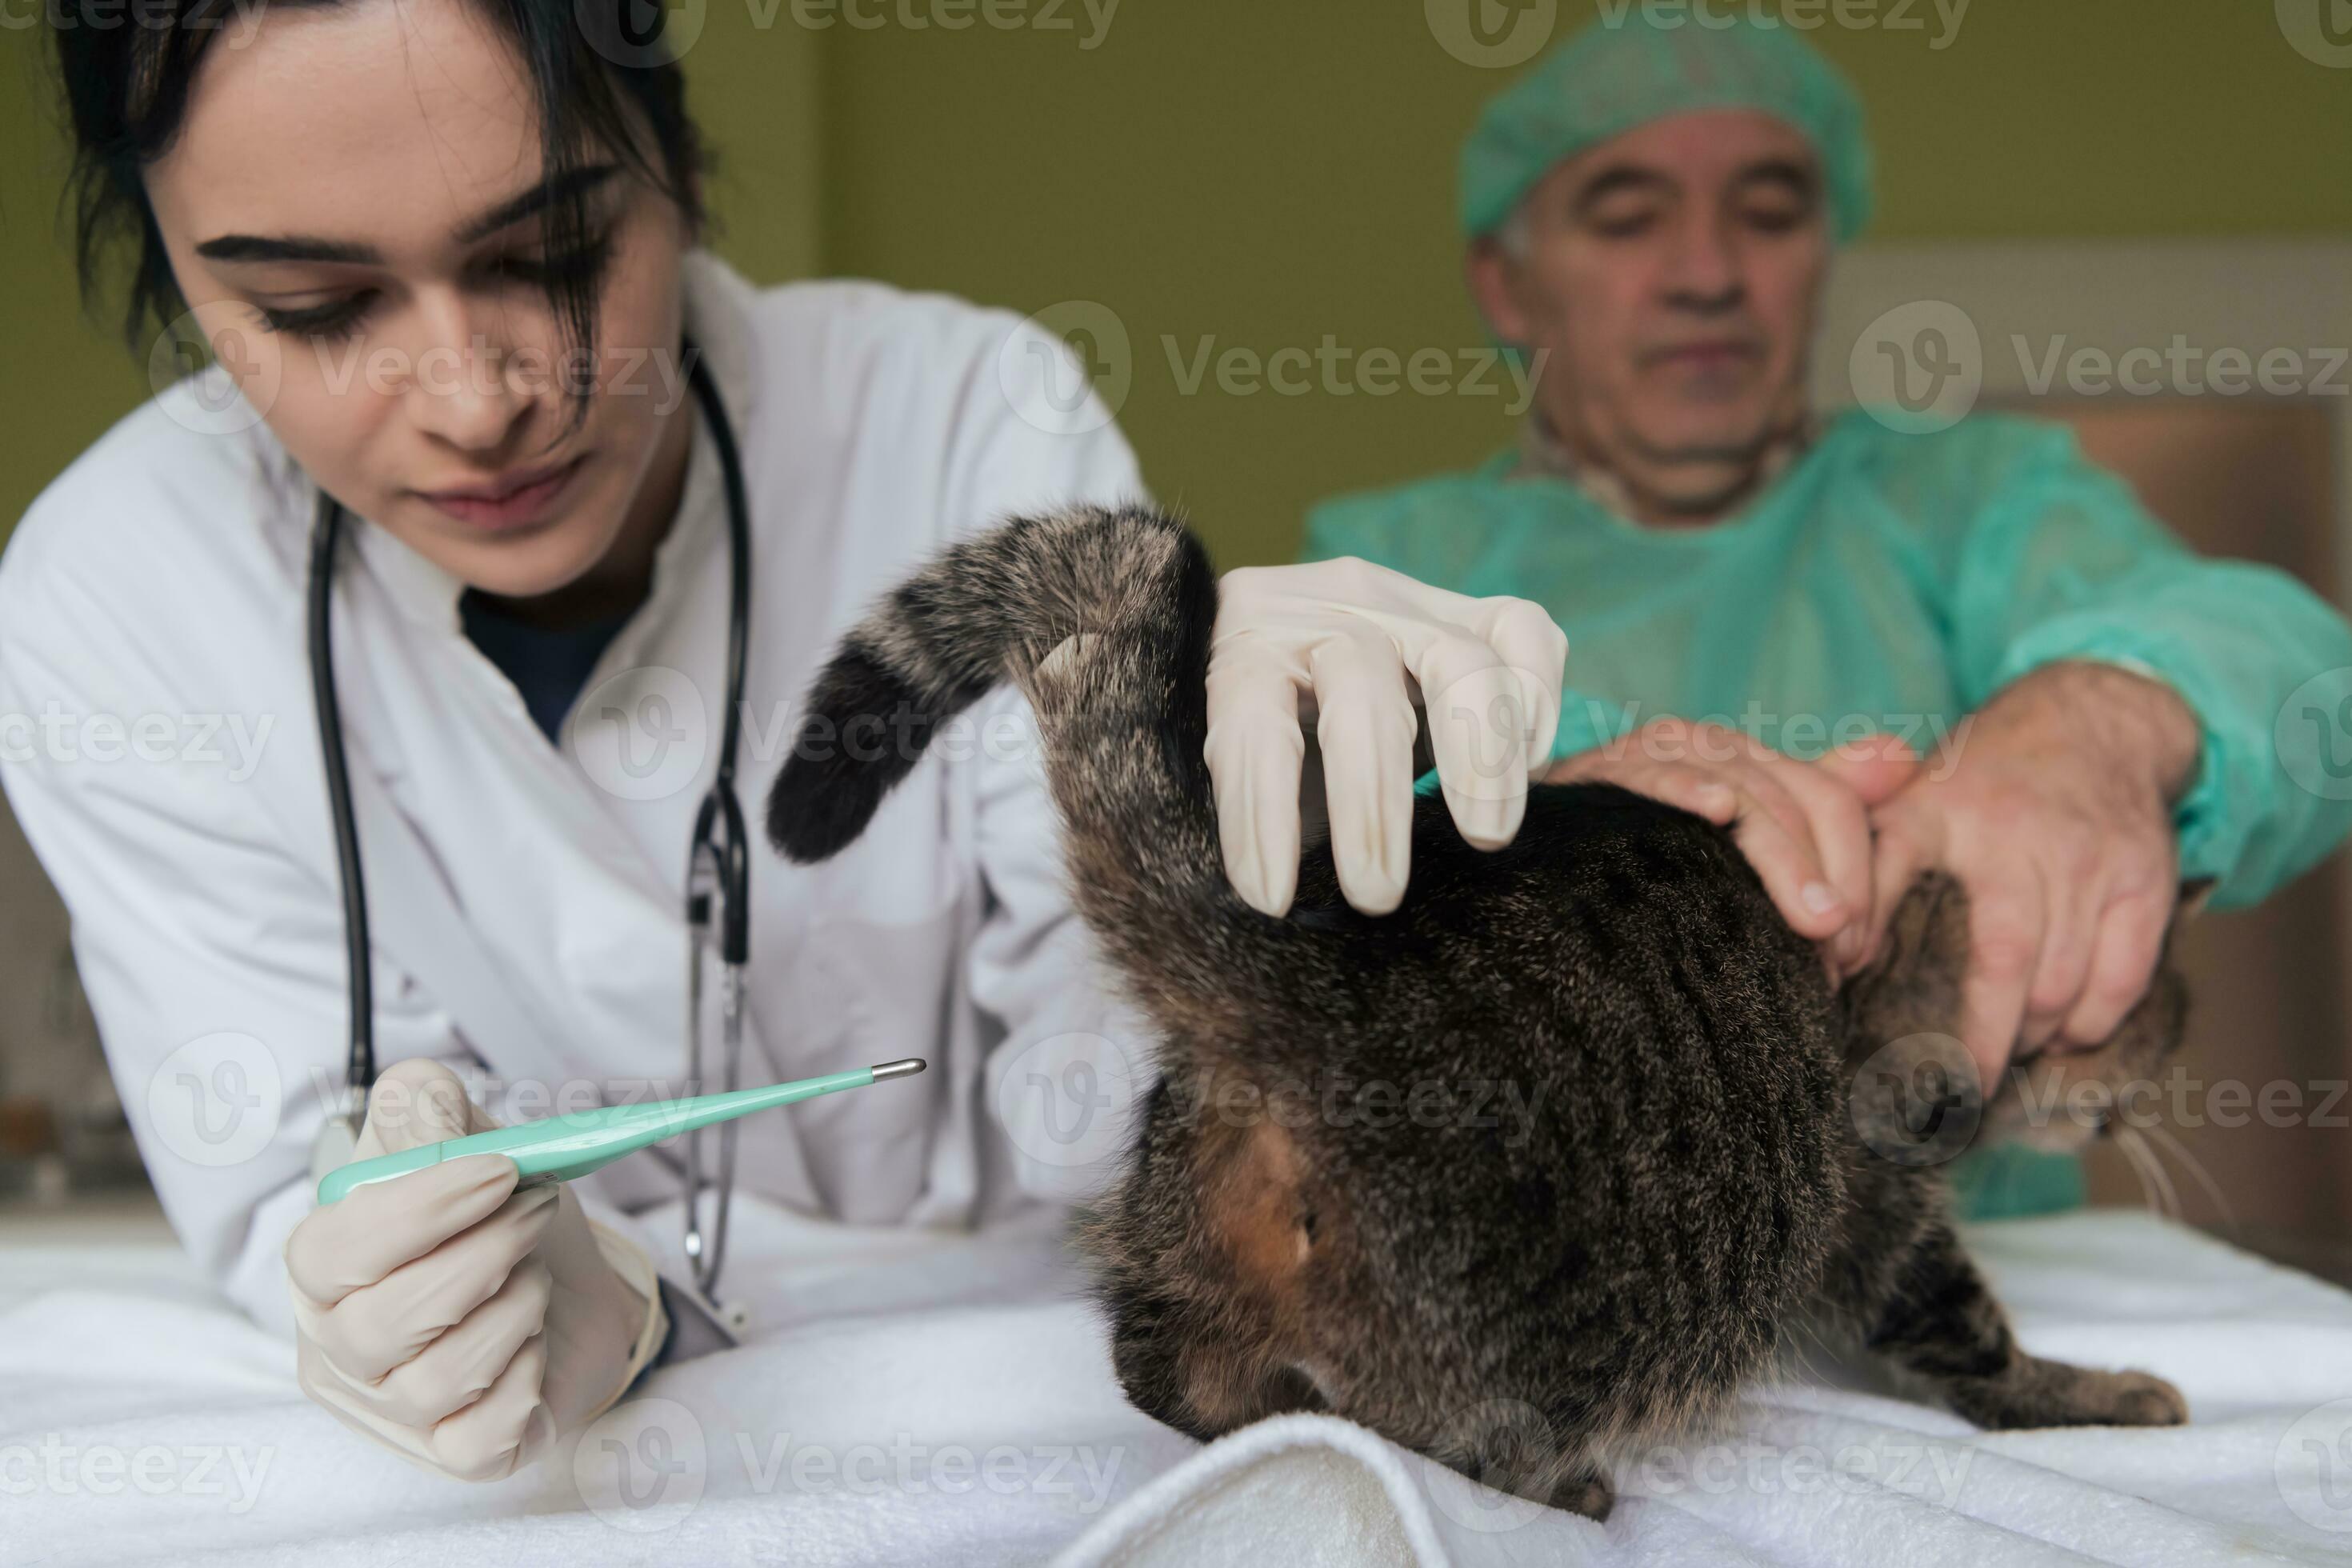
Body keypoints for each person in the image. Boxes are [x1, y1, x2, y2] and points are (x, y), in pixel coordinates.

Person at [1, 0, 1563, 1482]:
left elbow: (1129, 1103)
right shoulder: (124, 594)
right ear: (179, 280)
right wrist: (509, 1306)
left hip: (1039, 1389)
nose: (478, 402)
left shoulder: (960, 423)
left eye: (549, 252)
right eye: (315, 308)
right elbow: (296, 1196)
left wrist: (1257, 867)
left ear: (676, 167)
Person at [1302, 14, 2352, 1216]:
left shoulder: (1964, 498)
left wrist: (2105, 720)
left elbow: (2302, 681)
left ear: (1822, 254)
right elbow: (1321, 882)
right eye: (1627, 216)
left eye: (1770, 210)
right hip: (1558, 1266)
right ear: (1511, 284)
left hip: (1954, 1280)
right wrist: (1572, 818)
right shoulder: (1394, 559)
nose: (1707, 272)